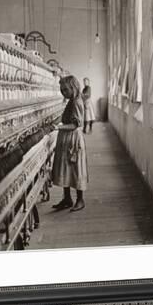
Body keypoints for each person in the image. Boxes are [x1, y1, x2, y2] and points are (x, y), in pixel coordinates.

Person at [51, 75, 88, 211]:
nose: (63, 93)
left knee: (75, 169)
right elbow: (65, 118)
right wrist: (55, 122)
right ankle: (67, 199)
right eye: (61, 90)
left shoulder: (77, 102)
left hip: (73, 139)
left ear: (73, 88)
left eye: (65, 90)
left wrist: (57, 127)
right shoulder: (71, 100)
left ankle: (80, 200)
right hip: (67, 138)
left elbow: (75, 125)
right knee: (66, 168)